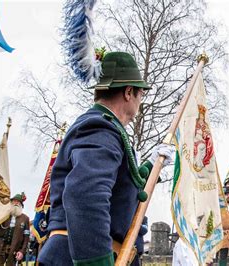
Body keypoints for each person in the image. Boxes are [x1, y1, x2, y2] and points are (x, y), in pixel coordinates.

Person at [37, 52, 175, 265]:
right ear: (129, 92)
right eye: (140, 94)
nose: (140, 102)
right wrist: (97, 262)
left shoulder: (106, 129)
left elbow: (121, 192)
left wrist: (151, 166)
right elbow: (85, 193)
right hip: (82, 257)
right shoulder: (100, 127)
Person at [0, 192, 30, 266]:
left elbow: (26, 238)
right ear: (10, 203)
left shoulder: (25, 219)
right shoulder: (3, 214)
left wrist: (22, 251)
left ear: (21, 205)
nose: (16, 203)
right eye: (14, 201)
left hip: (14, 250)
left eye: (18, 202)